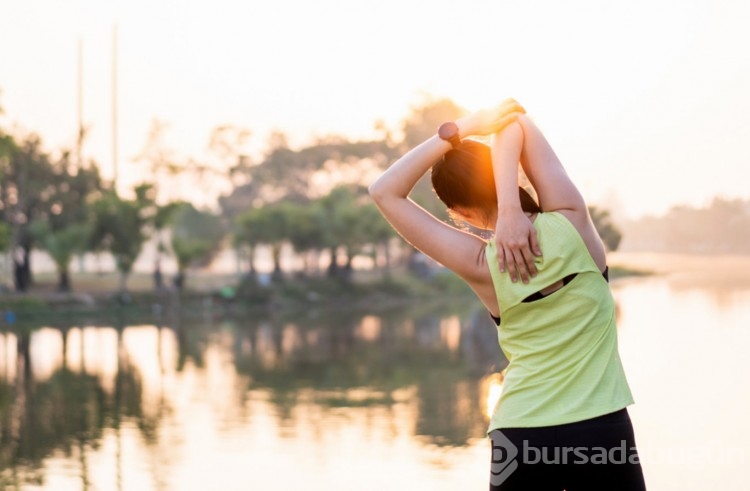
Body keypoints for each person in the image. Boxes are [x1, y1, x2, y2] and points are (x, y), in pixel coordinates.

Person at [368, 99, 646, 490]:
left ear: (459, 212)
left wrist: (460, 128)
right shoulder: (572, 222)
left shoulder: (482, 264)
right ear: (509, 178)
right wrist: (512, 207)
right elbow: (514, 120)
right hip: (601, 431)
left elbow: (384, 191)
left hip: (521, 436)